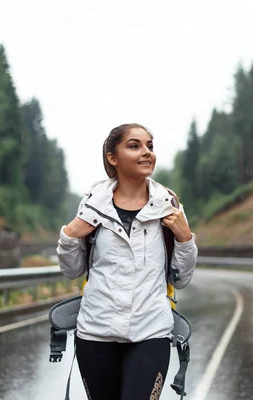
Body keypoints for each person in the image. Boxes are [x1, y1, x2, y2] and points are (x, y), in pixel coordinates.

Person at [56, 123, 198, 400]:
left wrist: (184, 239)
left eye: (150, 146)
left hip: (151, 332)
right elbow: (72, 269)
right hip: (95, 334)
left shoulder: (169, 207)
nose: (146, 153)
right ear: (113, 158)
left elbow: (181, 279)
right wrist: (71, 234)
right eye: (135, 146)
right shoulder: (92, 206)